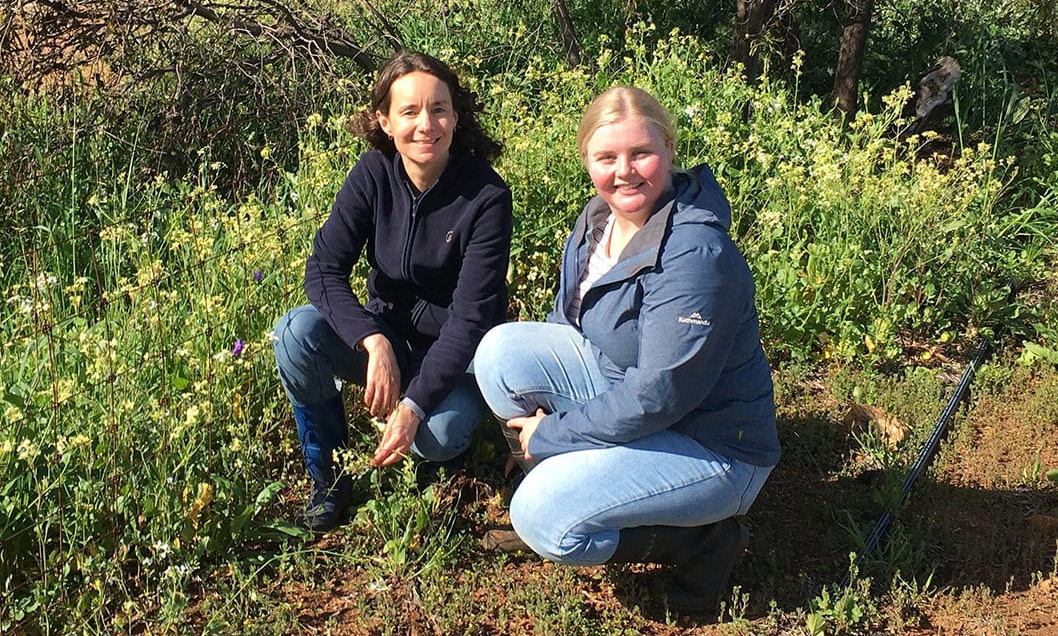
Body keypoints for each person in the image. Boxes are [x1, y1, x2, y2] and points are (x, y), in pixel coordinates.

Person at [473, 86, 780, 615]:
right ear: (586, 159)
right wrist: (554, 429)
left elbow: (659, 396)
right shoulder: (598, 218)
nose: (626, 172)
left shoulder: (695, 254)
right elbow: (567, 320)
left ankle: (704, 541)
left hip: (712, 445)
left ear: (670, 149)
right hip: (632, 393)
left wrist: (553, 435)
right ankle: (581, 485)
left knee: (542, 515)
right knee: (500, 353)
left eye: (642, 153)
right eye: (607, 157)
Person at [273, 51, 513, 532]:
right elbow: (323, 269)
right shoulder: (373, 173)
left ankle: (436, 443)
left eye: (439, 109)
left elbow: (469, 321)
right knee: (295, 334)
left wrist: (414, 405)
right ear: (385, 121)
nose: (426, 124)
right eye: (409, 111)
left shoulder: (486, 197)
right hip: (388, 332)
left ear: (455, 116)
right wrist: (371, 339)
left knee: (438, 437)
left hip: (455, 352)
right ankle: (330, 478)